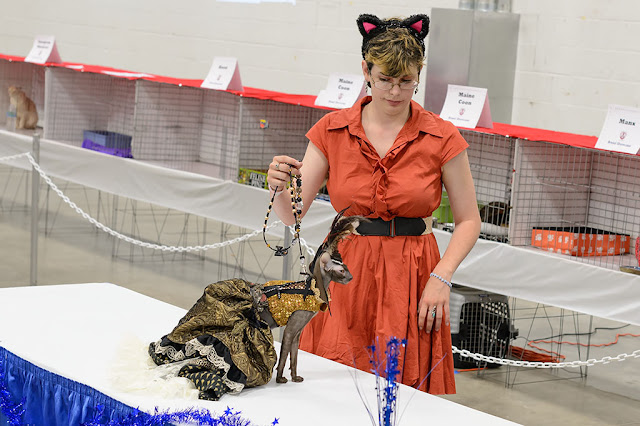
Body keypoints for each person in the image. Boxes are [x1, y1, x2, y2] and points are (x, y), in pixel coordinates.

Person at [265, 13, 480, 394]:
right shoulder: (331, 130)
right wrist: (279, 188)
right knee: (333, 381)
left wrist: (441, 277)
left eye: (406, 82)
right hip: (345, 269)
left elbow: (468, 220)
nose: (395, 92)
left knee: (402, 388)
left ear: (418, 75)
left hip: (413, 272)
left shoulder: (442, 136)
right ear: (366, 70)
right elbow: (292, 214)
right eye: (385, 80)